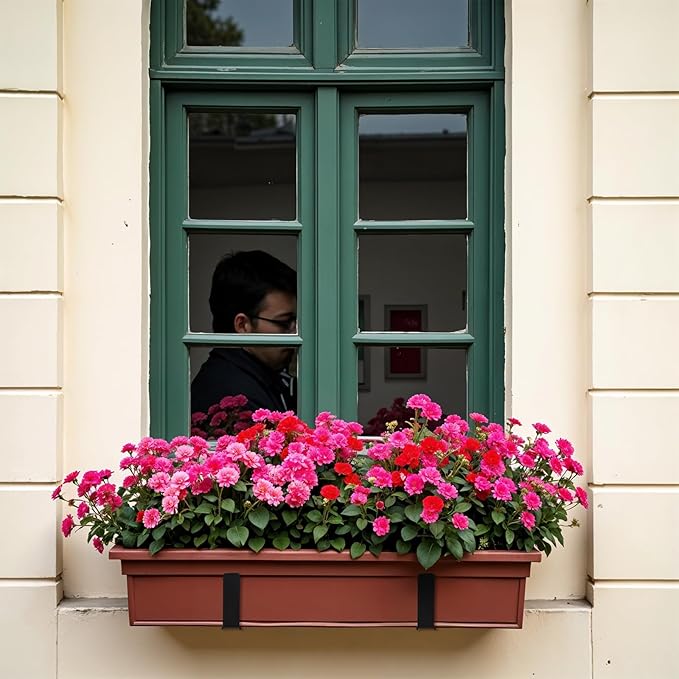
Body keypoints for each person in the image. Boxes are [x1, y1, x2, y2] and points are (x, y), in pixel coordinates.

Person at [191, 250, 297, 417]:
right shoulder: (233, 397)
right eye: (284, 322)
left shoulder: (259, 374)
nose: (295, 331)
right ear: (242, 325)